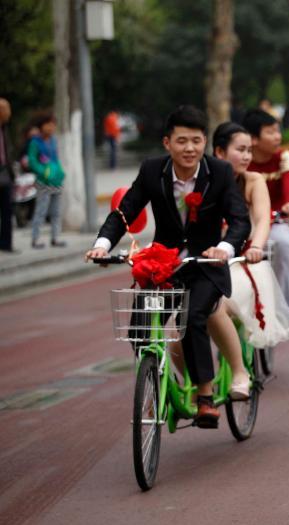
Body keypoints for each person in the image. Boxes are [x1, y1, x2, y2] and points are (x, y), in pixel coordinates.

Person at [85, 105, 251, 427]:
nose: (189, 148)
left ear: (204, 141)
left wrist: (225, 247)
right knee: (139, 328)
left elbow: (239, 219)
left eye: (196, 141)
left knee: (193, 316)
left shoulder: (219, 172)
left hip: (205, 265)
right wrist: (101, 246)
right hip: (165, 265)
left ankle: (204, 394)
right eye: (181, 141)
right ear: (166, 143)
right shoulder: (152, 171)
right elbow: (125, 212)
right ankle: (159, 378)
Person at [207, 122, 289, 395]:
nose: (247, 156)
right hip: (209, 262)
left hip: (244, 263)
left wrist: (256, 248)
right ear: (220, 152)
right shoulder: (204, 180)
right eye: (240, 150)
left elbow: (261, 221)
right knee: (183, 320)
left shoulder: (252, 181)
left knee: (218, 305)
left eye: (249, 150)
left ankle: (239, 370)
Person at [243, 108, 289, 326]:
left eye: (278, 131)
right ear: (254, 139)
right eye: (270, 132)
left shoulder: (283, 157)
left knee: (285, 242)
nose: (277, 137)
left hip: (274, 222)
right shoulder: (242, 160)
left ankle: (284, 308)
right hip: (243, 225)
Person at [27, 111, 65, 249]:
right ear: (41, 126)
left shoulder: (53, 140)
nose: (51, 127)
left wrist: (61, 172)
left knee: (56, 212)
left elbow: (56, 158)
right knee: (41, 211)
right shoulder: (35, 142)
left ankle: (55, 237)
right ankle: (35, 239)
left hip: (56, 181)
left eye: (53, 124)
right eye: (48, 124)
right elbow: (32, 160)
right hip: (43, 182)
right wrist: (42, 171)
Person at [0, 98, 15, 253]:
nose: (8, 113)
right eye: (6, 110)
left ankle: (6, 243)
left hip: (5, 173)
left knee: (7, 210)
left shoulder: (4, 128)